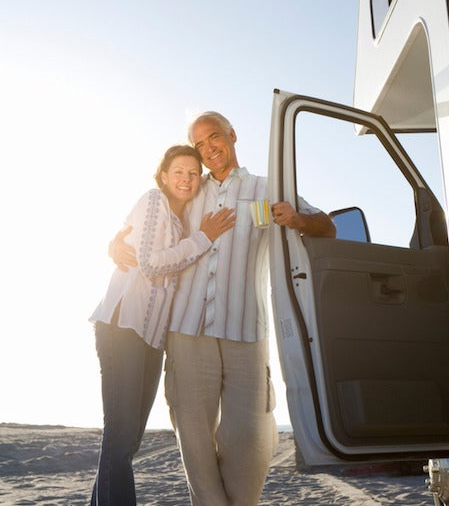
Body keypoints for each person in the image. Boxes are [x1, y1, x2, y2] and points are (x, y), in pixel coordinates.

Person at [113, 111, 334, 506]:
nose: (208, 149)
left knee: (249, 439)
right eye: (199, 145)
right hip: (186, 331)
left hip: (246, 331)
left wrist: (298, 218)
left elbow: (327, 226)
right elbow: (143, 230)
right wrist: (114, 244)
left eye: (214, 137)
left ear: (232, 135)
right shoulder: (186, 191)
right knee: (194, 439)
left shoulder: (267, 187)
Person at [90, 145, 236, 505]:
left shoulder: (180, 220)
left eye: (192, 173)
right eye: (178, 172)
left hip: (153, 339)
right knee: (121, 437)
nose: (185, 179)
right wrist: (203, 238)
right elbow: (151, 264)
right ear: (164, 176)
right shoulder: (154, 200)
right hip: (123, 327)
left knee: (127, 440)